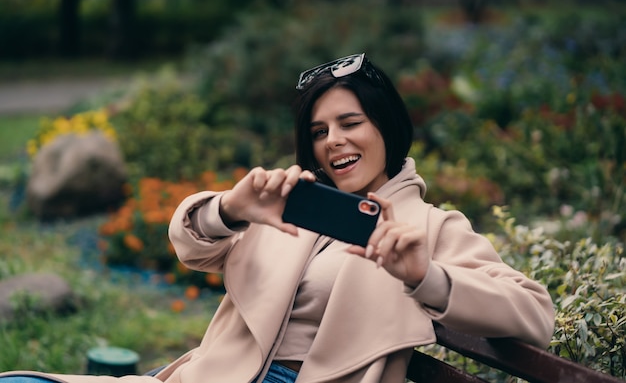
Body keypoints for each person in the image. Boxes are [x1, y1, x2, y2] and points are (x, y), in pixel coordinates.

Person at [0, 53, 555, 383]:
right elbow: (191, 247)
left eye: (350, 122)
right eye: (319, 132)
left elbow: (535, 314)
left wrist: (423, 276)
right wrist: (232, 210)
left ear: (386, 125)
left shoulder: (431, 227)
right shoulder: (294, 202)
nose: (333, 141)